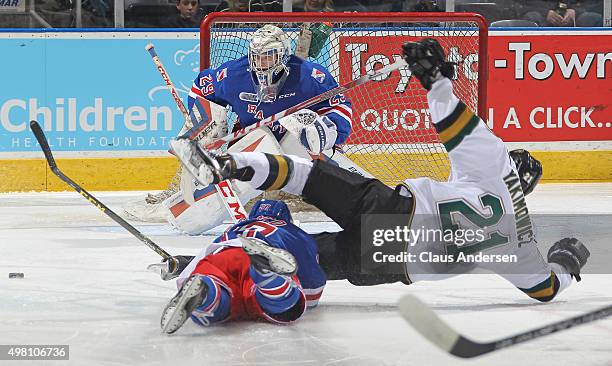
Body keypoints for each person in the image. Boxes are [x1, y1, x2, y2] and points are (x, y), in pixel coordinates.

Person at [170, 38, 590, 303]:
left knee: (305, 175)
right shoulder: (518, 243)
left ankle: (229, 166)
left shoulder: (496, 165)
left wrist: (437, 81)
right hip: (391, 263)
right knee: (307, 257)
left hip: (393, 208)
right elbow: (545, 290)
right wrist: (566, 265)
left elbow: (456, 125)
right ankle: (219, 268)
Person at [152, 24, 355, 235]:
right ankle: (189, 214)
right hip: (254, 141)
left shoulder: (309, 75)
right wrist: (202, 126)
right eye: (257, 56)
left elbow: (339, 106)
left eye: (269, 56)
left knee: (322, 168)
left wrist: (325, 129)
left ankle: (357, 206)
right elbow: (202, 87)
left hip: (296, 142)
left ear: (283, 55)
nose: (261, 63)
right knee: (193, 218)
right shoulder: (234, 74)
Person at [158, 199, 326, 334]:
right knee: (285, 304)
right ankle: (269, 278)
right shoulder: (292, 231)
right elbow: (312, 284)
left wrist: (187, 278)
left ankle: (208, 293)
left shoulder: (235, 228)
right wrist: (307, 297)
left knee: (217, 306)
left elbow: (205, 256)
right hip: (263, 248)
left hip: (224, 253)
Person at [521, 0, 603, 27]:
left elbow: (595, 3)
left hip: (572, 19)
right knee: (533, 17)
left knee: (592, 18)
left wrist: (575, 11)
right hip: (540, 19)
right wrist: (545, 13)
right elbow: (515, 6)